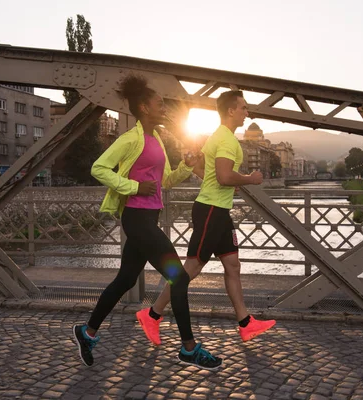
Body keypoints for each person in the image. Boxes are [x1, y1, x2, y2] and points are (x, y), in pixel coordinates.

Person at [72, 75, 222, 371]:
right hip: (137, 219)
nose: (163, 107)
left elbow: (163, 181)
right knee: (178, 278)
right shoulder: (131, 138)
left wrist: (184, 167)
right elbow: (98, 168)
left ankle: (87, 332)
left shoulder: (156, 141)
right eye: (159, 103)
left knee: (126, 279)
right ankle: (189, 348)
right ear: (143, 106)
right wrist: (131, 186)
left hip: (149, 217)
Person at [136, 90, 276, 345]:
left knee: (232, 265)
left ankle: (245, 323)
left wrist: (228, 181)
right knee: (192, 268)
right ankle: (152, 314)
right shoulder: (226, 141)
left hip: (218, 209)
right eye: (243, 108)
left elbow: (204, 170)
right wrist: (248, 179)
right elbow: (223, 176)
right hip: (211, 210)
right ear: (231, 111)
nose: (247, 112)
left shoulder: (219, 137)